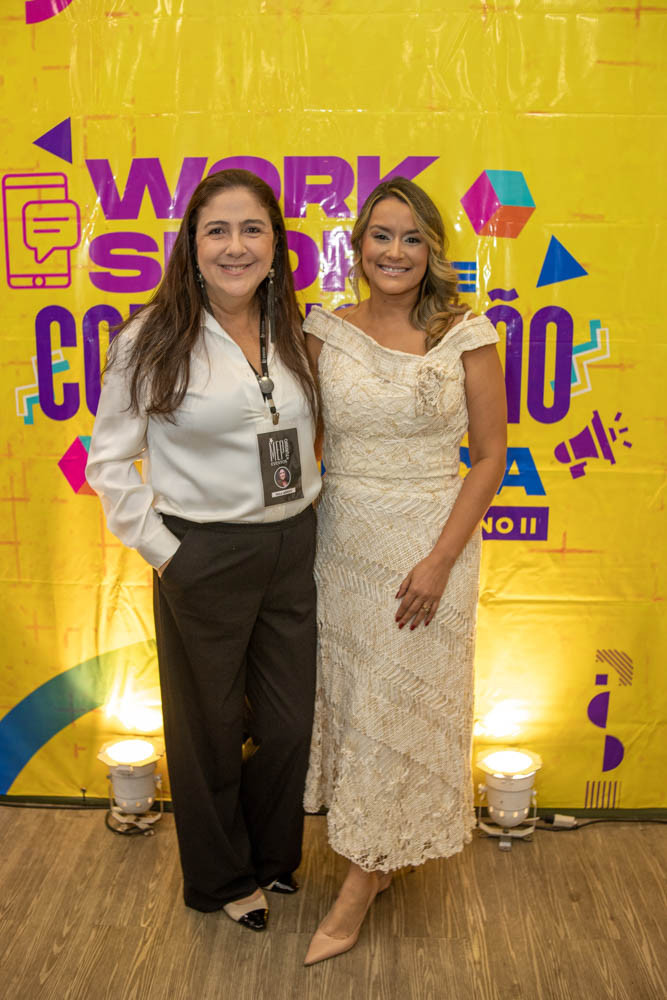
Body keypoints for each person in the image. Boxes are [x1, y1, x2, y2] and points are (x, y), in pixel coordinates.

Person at [86, 169, 321, 932]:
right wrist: (168, 553)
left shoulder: (296, 328)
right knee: (208, 729)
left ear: (276, 244)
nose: (235, 246)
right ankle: (222, 878)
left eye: (252, 229)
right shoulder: (150, 338)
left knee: (287, 724)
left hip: (292, 547)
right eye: (216, 230)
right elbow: (108, 464)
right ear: (190, 245)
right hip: (202, 554)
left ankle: (270, 855)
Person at [302, 177, 507, 964]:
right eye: (381, 236)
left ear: (432, 250)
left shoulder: (466, 334)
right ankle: (376, 851)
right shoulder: (324, 330)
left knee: (400, 706)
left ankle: (357, 887)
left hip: (431, 547)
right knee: (358, 704)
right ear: (358, 246)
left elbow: (488, 458)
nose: (395, 252)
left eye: (411, 238)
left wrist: (438, 560)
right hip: (340, 542)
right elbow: (304, 443)